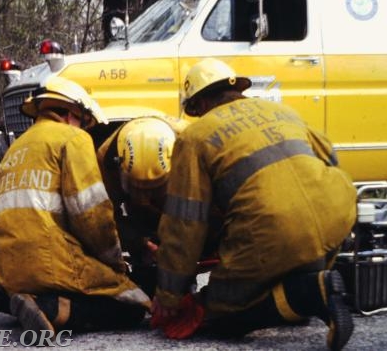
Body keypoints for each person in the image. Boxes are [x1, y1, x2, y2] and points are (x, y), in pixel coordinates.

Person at [151, 58, 357, 350]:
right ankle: (314, 287)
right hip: (337, 215)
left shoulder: (195, 137)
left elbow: (185, 222)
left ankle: (312, 292)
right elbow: (331, 160)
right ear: (236, 89)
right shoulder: (284, 112)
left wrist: (169, 296)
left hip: (277, 230)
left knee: (221, 315)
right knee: (284, 291)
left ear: (197, 105)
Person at [0, 76, 150, 334]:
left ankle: (7, 298)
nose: (84, 129)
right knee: (129, 305)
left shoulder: (17, 147)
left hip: (6, 266)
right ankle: (47, 308)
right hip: (46, 261)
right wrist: (115, 264)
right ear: (73, 113)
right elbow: (91, 213)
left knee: (72, 283)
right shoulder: (72, 138)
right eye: (84, 123)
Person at [95, 116, 184, 296]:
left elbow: (204, 207)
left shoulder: (191, 144)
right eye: (138, 188)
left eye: (155, 189)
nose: (145, 199)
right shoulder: (105, 158)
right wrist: (139, 242)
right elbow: (105, 217)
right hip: (135, 216)